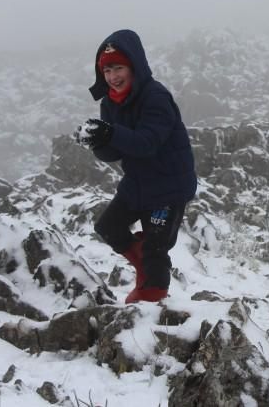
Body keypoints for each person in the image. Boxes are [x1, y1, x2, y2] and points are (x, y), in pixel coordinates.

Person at [73, 29, 197, 303]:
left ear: (134, 66)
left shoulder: (155, 97)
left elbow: (147, 143)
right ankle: (144, 264)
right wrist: (97, 141)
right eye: (107, 71)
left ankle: (152, 306)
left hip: (168, 186)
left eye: (118, 68)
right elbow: (114, 153)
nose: (113, 77)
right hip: (138, 184)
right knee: (108, 227)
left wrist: (110, 133)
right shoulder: (110, 102)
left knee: (156, 251)